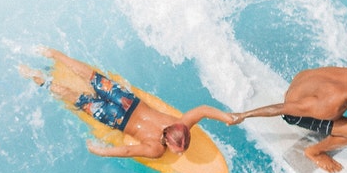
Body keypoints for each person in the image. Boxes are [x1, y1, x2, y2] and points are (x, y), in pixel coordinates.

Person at [20, 48, 236, 159]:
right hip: (116, 118)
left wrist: (227, 117)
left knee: (91, 77)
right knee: (74, 97)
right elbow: (127, 152)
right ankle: (36, 77)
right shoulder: (156, 149)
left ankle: (54, 54)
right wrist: (101, 151)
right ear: (169, 142)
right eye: (178, 149)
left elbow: (204, 110)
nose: (180, 152)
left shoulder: (181, 122)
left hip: (126, 100)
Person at [230, 44, 347, 173]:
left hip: (304, 79)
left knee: (342, 118)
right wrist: (244, 115)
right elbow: (282, 108)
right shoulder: (327, 107)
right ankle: (314, 152)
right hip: (296, 106)